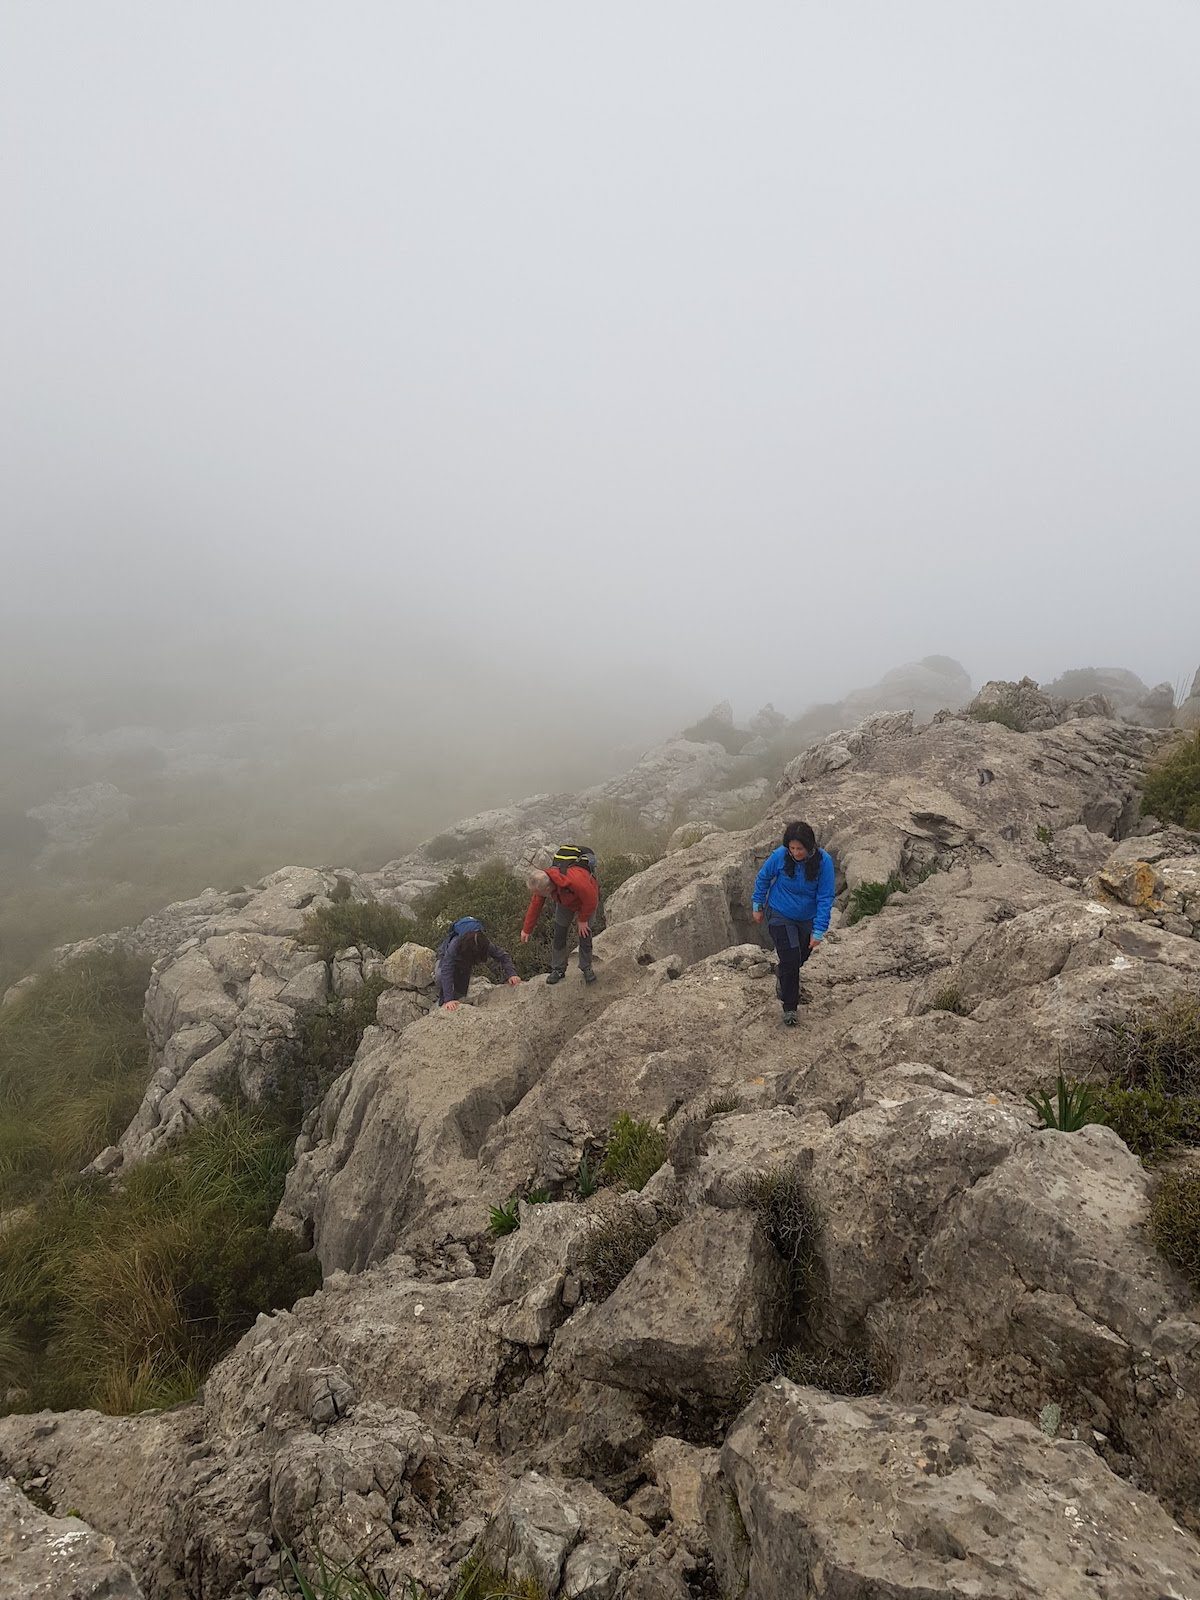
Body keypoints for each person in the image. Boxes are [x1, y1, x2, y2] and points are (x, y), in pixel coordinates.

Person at [751, 820, 835, 1027]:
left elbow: (825, 896)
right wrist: (757, 904)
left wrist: (819, 930)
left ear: (810, 846)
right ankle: (790, 1007)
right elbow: (763, 878)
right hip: (780, 912)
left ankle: (784, 975)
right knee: (790, 958)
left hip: (807, 917)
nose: (795, 853)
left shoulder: (823, 862)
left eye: (800, 849)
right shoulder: (780, 856)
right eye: (792, 848)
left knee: (799, 958)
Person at [521, 862, 600, 984]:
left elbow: (591, 899)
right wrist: (527, 929)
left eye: (537, 893)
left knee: (584, 934)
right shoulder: (544, 883)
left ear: (547, 889)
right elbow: (535, 905)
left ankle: (586, 967)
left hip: (586, 902)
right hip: (565, 902)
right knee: (559, 933)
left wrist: (583, 919)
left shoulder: (576, 882)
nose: (536, 895)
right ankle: (558, 969)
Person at [437, 924, 521, 1011]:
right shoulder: (454, 945)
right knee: (440, 976)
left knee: (460, 993)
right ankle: (443, 1002)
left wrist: (512, 974)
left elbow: (503, 956)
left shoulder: (485, 945)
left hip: (464, 964)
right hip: (448, 957)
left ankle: (456, 1001)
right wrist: (449, 999)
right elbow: (446, 969)